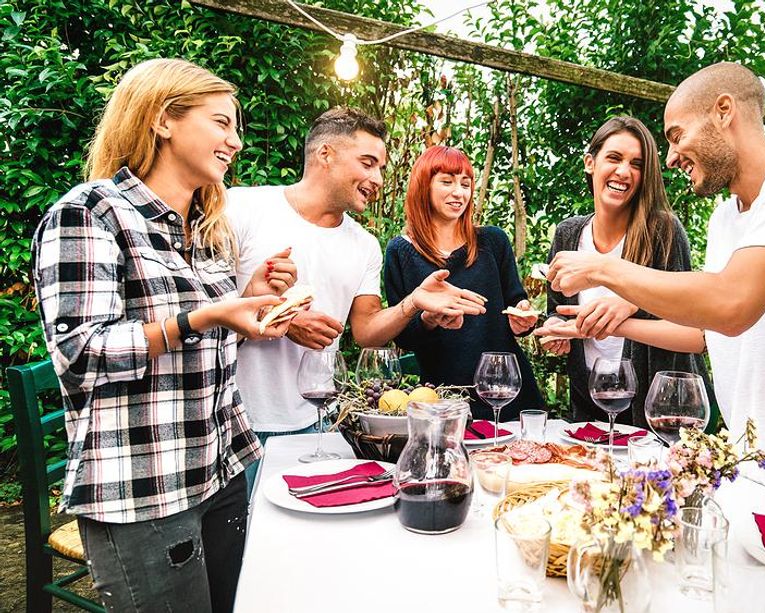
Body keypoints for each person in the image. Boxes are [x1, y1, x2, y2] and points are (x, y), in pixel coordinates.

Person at [547, 62, 765, 531]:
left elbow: (731, 304)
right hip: (756, 479)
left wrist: (601, 268)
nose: (671, 157)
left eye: (676, 135)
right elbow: (701, 332)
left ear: (722, 112)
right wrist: (598, 323)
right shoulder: (725, 219)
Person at [31, 58, 296, 612]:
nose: (236, 141)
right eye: (222, 122)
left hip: (219, 468)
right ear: (162, 119)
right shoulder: (89, 212)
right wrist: (209, 315)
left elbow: (204, 344)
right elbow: (81, 352)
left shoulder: (201, 229)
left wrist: (248, 302)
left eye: (237, 128)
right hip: (145, 487)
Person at [227, 109, 487, 490]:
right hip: (236, 421)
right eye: (368, 163)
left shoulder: (363, 245)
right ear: (325, 154)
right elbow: (199, 311)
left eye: (381, 167)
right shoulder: (242, 208)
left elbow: (366, 331)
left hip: (320, 422)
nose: (377, 179)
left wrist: (412, 302)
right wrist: (281, 320)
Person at [534, 116, 714, 428]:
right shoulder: (568, 234)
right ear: (591, 163)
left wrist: (631, 306)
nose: (623, 171)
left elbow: (693, 325)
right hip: (592, 406)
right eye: (614, 158)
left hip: (664, 412)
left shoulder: (663, 231)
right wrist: (555, 330)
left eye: (637, 164)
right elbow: (558, 310)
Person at [383, 146, 544, 421]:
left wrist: (523, 317)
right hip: (444, 402)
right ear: (423, 186)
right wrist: (430, 319)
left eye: (465, 184)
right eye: (447, 182)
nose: (459, 192)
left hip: (508, 393)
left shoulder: (493, 241)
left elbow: (516, 300)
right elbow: (404, 336)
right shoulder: (400, 251)